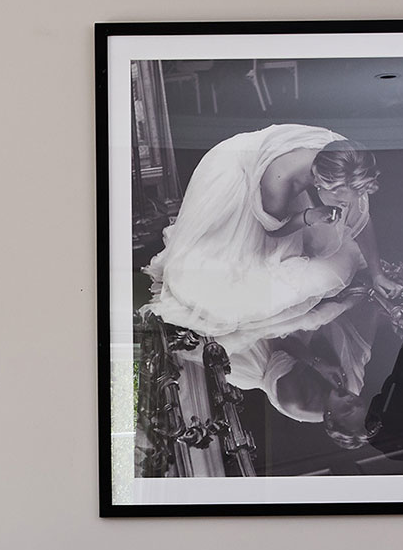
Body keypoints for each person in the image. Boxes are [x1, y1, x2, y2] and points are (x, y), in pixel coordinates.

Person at [144, 124, 387, 430]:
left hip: (278, 181)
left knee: (322, 259)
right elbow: (273, 230)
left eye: (350, 408)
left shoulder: (341, 157)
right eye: (342, 199)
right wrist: (310, 217)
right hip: (234, 176)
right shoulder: (280, 179)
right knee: (230, 282)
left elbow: (361, 219)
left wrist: (376, 274)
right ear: (323, 184)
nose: (347, 204)